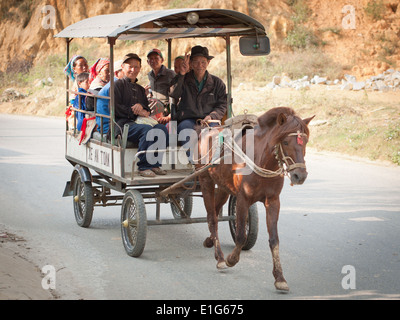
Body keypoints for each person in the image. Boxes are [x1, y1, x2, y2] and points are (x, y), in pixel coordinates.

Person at [114, 53, 169, 177]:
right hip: (123, 125)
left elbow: (146, 109)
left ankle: (155, 164)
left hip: (140, 122)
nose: (133, 70)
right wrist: (133, 110)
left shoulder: (139, 89)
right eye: (130, 66)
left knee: (161, 129)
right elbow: (115, 108)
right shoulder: (117, 85)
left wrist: (142, 109)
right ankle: (143, 166)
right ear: (123, 67)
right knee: (147, 130)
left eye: (136, 67)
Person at [169, 45, 227, 156]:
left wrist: (212, 116)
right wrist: (181, 74)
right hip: (188, 119)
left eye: (203, 62)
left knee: (216, 134)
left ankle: (213, 163)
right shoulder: (183, 79)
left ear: (208, 62)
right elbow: (173, 93)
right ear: (190, 63)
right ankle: (194, 162)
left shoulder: (217, 83)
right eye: (195, 62)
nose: (200, 66)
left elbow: (222, 105)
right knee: (186, 130)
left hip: (209, 120)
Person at [145, 48, 176, 125]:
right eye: (151, 59)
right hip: (155, 110)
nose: (153, 61)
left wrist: (171, 115)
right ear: (148, 62)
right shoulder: (150, 75)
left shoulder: (170, 74)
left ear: (162, 60)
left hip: (167, 111)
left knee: (170, 131)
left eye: (156, 58)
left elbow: (175, 96)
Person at [96, 60, 124, 136]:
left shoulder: (116, 84)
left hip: (112, 123)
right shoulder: (115, 87)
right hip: (109, 126)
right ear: (116, 73)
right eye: (124, 71)